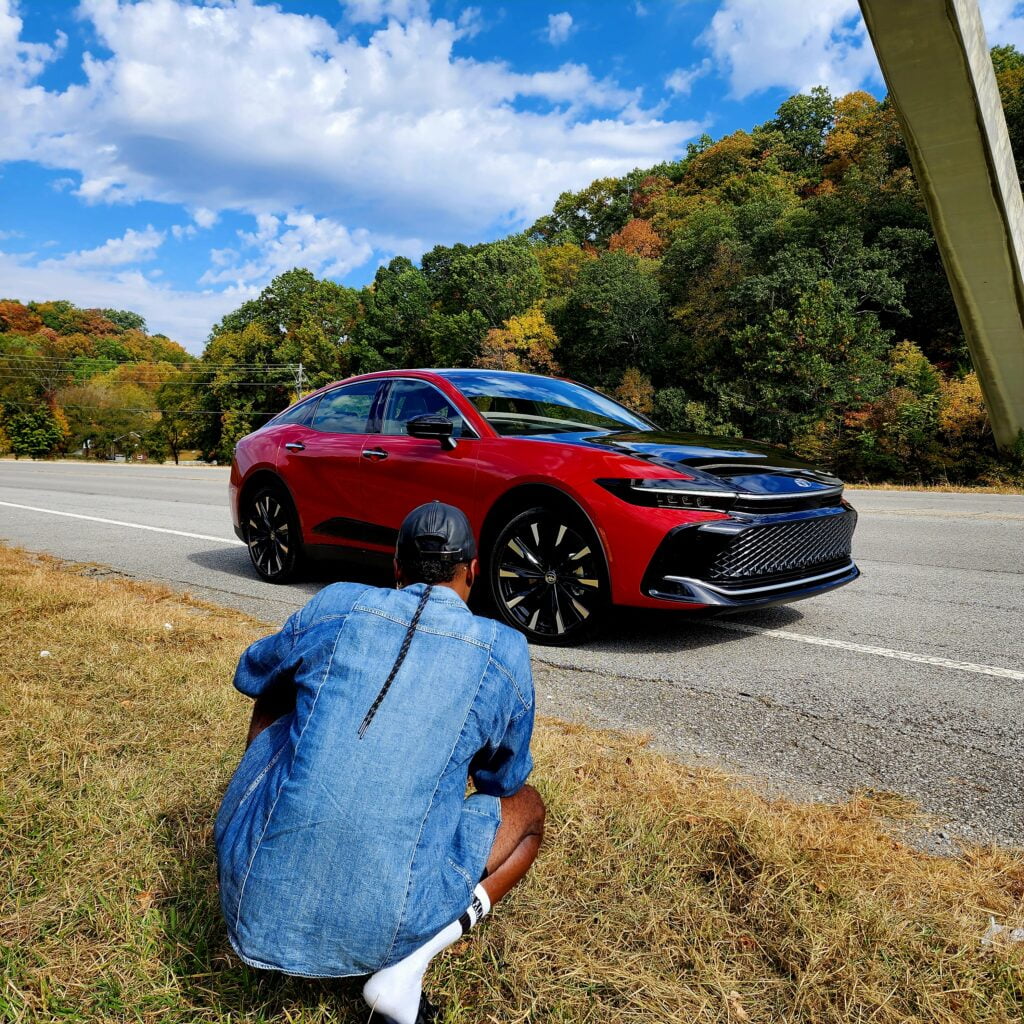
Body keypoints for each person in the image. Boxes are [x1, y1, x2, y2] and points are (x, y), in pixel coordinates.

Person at [215, 501, 544, 1024]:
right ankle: (410, 963)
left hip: (250, 900)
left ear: (396, 567)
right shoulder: (503, 650)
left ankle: (266, 835)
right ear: (473, 571)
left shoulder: (338, 603)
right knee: (528, 809)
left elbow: (254, 673)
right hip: (392, 927)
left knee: (280, 694)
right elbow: (500, 779)